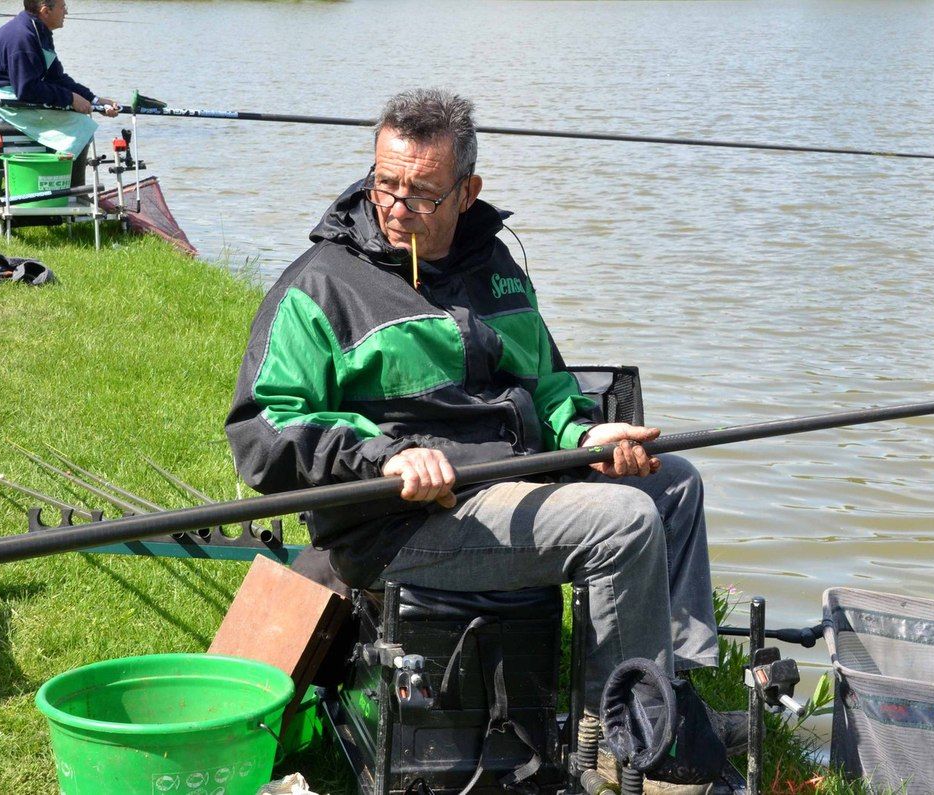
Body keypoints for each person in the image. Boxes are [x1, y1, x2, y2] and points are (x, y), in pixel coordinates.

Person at [225, 89, 728, 734]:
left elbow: (546, 384)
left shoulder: (497, 266)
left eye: (424, 194)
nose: (398, 208)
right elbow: (263, 433)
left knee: (674, 485)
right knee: (623, 520)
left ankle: (671, 695)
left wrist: (587, 432)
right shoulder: (321, 285)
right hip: (399, 523)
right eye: (385, 185)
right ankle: (624, 743)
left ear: (468, 190)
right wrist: (385, 456)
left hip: (513, 476)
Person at [0, 0, 118, 166]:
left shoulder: (39, 32)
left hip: (16, 92)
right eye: (63, 7)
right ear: (45, 11)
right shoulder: (23, 37)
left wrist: (95, 100)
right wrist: (70, 99)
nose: (66, 12)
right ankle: (74, 188)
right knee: (82, 126)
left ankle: (65, 184)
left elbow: (56, 77)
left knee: (78, 119)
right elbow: (27, 89)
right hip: (1, 101)